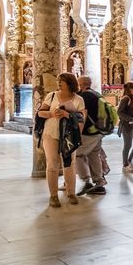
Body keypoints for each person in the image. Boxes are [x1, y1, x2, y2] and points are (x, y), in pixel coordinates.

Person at [37, 72, 86, 207]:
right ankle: (53, 196)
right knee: (52, 164)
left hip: (69, 135)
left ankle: (71, 193)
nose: (59, 83)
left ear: (70, 83)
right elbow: (40, 112)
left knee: (69, 164)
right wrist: (52, 113)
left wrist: (67, 114)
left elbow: (82, 118)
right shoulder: (51, 96)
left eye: (62, 81)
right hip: (51, 133)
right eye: (58, 81)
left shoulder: (78, 99)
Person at [76, 76, 108, 195]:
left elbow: (82, 115)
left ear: (81, 84)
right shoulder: (97, 94)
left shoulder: (84, 97)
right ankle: (99, 184)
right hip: (98, 131)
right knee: (94, 156)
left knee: (78, 155)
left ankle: (86, 181)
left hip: (88, 132)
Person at [117, 82, 133, 173]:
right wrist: (130, 119)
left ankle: (130, 160)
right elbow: (119, 112)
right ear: (130, 89)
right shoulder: (126, 98)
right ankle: (125, 164)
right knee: (127, 145)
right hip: (127, 125)